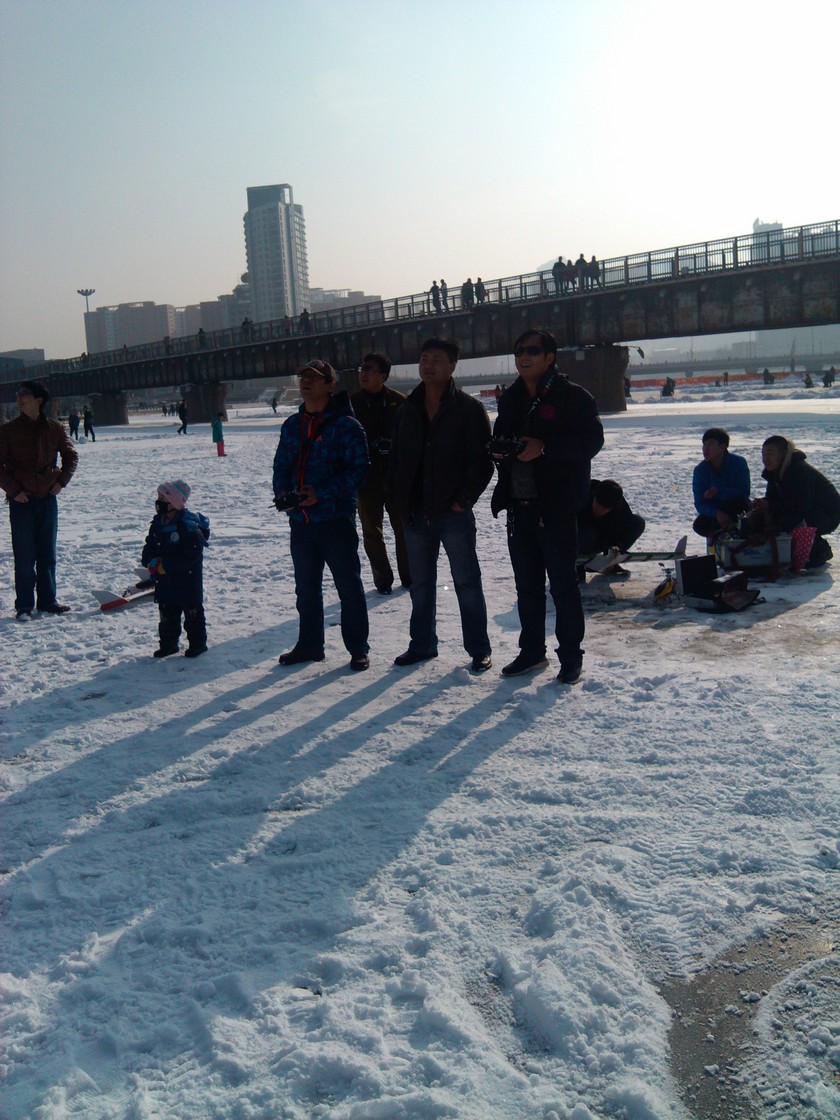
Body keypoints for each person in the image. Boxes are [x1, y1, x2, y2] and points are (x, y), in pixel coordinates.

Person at [490, 328, 604, 683]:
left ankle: (570, 656)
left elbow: (591, 441)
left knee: (563, 586)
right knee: (527, 586)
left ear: (550, 357)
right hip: (519, 504)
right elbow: (501, 437)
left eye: (532, 351)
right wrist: (499, 449)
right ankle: (532, 652)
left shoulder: (573, 397)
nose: (523, 356)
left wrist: (546, 446)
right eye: (519, 350)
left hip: (555, 506)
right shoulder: (510, 398)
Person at [388, 337, 493, 671]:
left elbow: (482, 461)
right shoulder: (407, 409)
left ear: (452, 366)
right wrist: (400, 501)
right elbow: (397, 460)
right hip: (415, 514)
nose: (428, 365)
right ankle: (422, 644)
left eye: (436, 359)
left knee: (466, 582)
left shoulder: (468, 409)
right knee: (420, 585)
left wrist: (463, 500)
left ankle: (478, 648)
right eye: (424, 358)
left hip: (452, 513)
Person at [273, 359, 370, 671]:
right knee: (306, 589)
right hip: (301, 523)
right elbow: (281, 465)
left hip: (335, 520)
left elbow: (360, 471)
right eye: (303, 377)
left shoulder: (346, 426)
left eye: (314, 378)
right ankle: (310, 645)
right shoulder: (292, 425)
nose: (306, 382)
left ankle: (358, 648)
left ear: (331, 385)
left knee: (348, 586)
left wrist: (321, 493)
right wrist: (283, 494)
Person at [0, 381, 78, 620]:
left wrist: (60, 483)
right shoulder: (8, 431)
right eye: (18, 395)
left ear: (38, 400)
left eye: (24, 395)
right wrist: (13, 491)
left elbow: (70, 456)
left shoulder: (54, 428)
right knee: (24, 556)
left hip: (47, 499)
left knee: (47, 554)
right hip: (21, 501)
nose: (19, 398)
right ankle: (24, 605)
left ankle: (48, 601)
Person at [350, 352, 410, 594]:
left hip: (395, 479)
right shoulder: (352, 405)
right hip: (366, 479)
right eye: (361, 369)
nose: (363, 373)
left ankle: (409, 577)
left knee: (404, 530)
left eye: (369, 369)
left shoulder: (401, 402)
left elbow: (411, 439)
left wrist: (392, 447)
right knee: (371, 533)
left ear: (383, 376)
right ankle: (382, 580)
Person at [141, 480, 210, 658]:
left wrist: (167, 565)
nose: (159, 502)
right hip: (165, 582)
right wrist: (149, 559)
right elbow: (150, 545)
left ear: (175, 503)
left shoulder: (188, 526)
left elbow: (191, 556)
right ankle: (168, 644)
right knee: (167, 616)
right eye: (158, 497)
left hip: (187, 581)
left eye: (163, 498)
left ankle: (198, 644)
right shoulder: (158, 523)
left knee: (192, 615)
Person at [752, 436, 840, 568]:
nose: (765, 458)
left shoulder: (798, 470)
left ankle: (819, 550)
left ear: (783, 454)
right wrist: (763, 504)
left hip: (827, 515)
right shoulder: (775, 472)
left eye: (770, 453)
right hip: (808, 511)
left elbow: (801, 506)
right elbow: (773, 499)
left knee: (790, 520)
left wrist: (770, 506)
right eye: (763, 454)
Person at [577, 479, 646, 581]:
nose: (599, 509)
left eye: (604, 508)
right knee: (589, 532)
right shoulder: (582, 493)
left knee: (638, 522)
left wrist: (615, 551)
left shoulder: (620, 508)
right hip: (579, 539)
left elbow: (622, 530)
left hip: (604, 538)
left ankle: (610, 563)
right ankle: (578, 566)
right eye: (597, 503)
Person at [692, 427, 750, 539]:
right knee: (700, 525)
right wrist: (717, 513)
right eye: (704, 444)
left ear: (723, 447)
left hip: (737, 507)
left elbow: (744, 492)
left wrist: (718, 492)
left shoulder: (738, 463)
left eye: (710, 444)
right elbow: (700, 503)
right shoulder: (700, 470)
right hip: (715, 512)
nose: (705, 448)